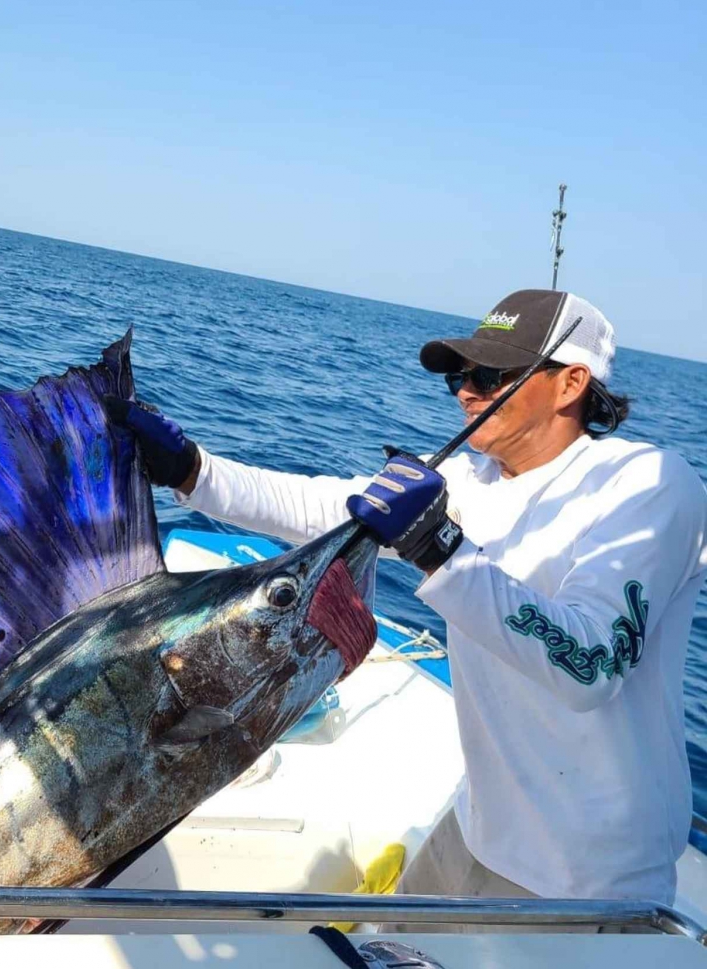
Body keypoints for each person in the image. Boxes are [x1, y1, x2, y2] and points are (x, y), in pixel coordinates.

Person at [111, 289, 707, 906]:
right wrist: (189, 469)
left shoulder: (650, 487)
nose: (465, 391)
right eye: (458, 375)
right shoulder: (467, 478)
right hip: (477, 824)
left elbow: (591, 666)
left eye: (489, 375)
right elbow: (321, 507)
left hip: (589, 877)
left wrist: (437, 545)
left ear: (570, 383)